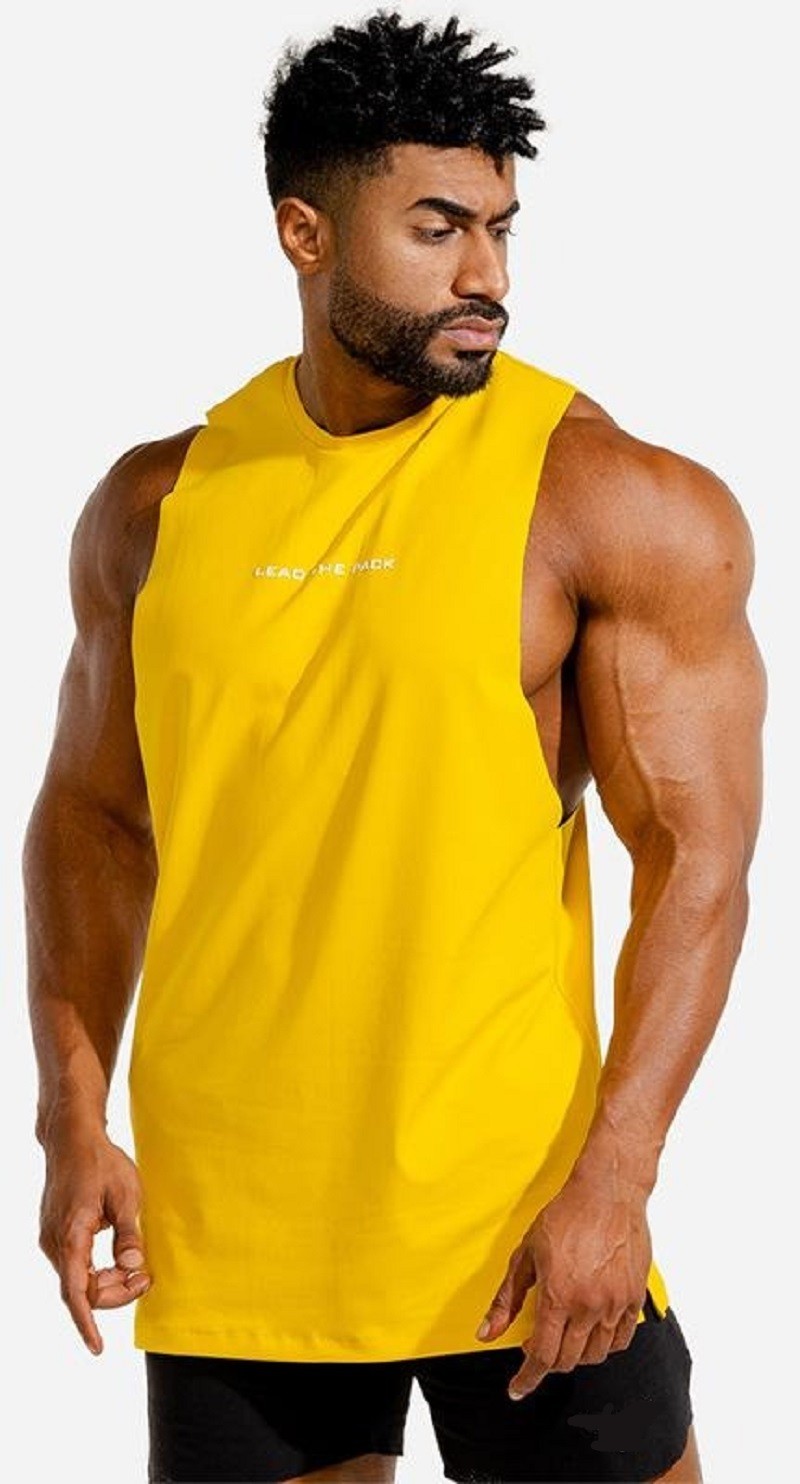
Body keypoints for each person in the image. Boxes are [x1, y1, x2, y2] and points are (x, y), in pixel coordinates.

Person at [24, 10, 766, 1483]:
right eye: (437, 229)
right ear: (305, 233)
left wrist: (618, 1176)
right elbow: (95, 819)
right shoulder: (156, 506)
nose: (489, 275)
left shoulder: (603, 495)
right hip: (232, 1233)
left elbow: (697, 860)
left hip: (521, 1228)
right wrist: (70, 1120)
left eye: (500, 227)